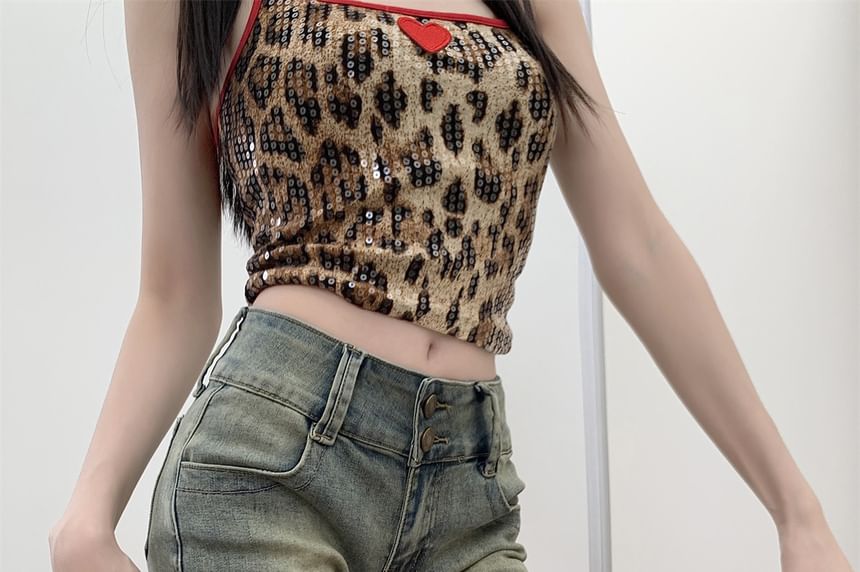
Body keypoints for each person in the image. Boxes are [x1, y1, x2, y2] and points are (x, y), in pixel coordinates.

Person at [49, 0, 853, 571]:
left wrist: (797, 511)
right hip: (269, 465)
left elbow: (637, 246)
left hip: (470, 486)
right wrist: (86, 519)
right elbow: (173, 294)